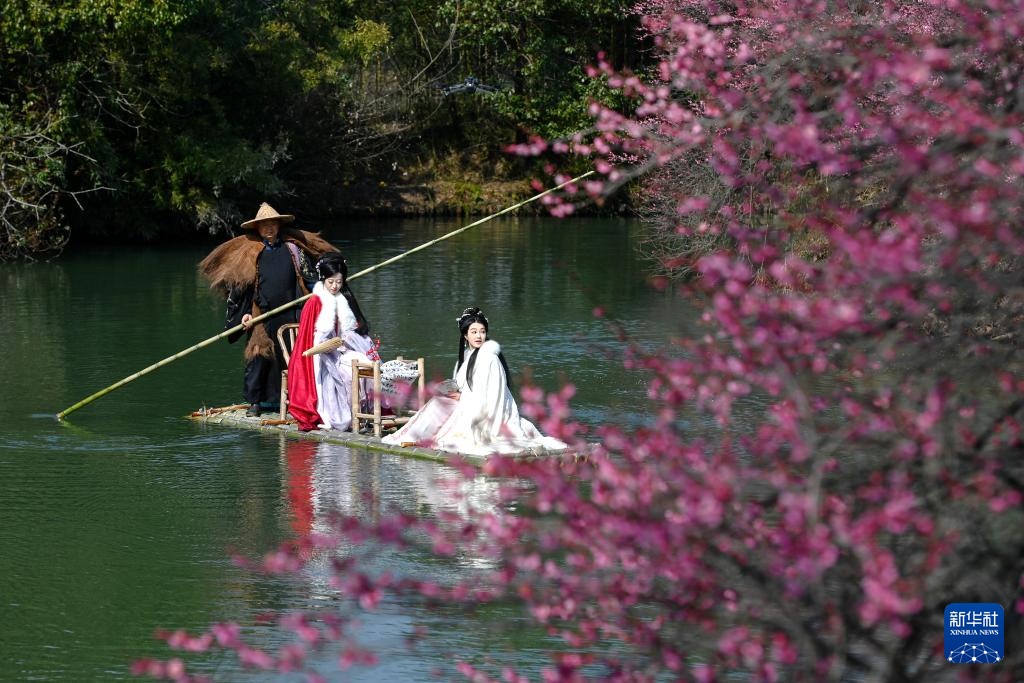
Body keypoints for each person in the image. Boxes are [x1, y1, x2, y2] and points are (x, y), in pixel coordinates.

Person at [199, 202, 336, 417]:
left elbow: (309, 279)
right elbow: (241, 288)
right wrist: (244, 315)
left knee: (292, 358)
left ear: (279, 226)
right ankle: (255, 402)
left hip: (292, 312)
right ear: (258, 229)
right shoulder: (253, 254)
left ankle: (294, 400)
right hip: (260, 314)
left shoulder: (293, 250)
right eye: (264, 226)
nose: (269, 229)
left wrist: (324, 293)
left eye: (273, 224)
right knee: (258, 357)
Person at [382, 307, 567, 456]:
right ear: (465, 336)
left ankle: (420, 437)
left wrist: (462, 397)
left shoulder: (490, 358)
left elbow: (492, 395)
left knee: (440, 406)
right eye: (474, 332)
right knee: (438, 403)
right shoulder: (469, 356)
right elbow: (463, 385)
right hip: (468, 403)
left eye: (482, 331)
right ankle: (413, 436)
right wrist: (451, 391)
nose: (479, 336)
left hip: (488, 413)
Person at [287, 252, 379, 432]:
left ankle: (365, 413)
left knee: (368, 364)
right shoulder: (314, 301)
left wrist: (348, 340)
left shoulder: (344, 298)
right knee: (347, 372)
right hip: (319, 353)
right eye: (331, 282)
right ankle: (349, 415)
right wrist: (327, 344)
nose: (335, 286)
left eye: (339, 281)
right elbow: (309, 338)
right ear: (323, 279)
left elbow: (352, 328)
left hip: (341, 349)